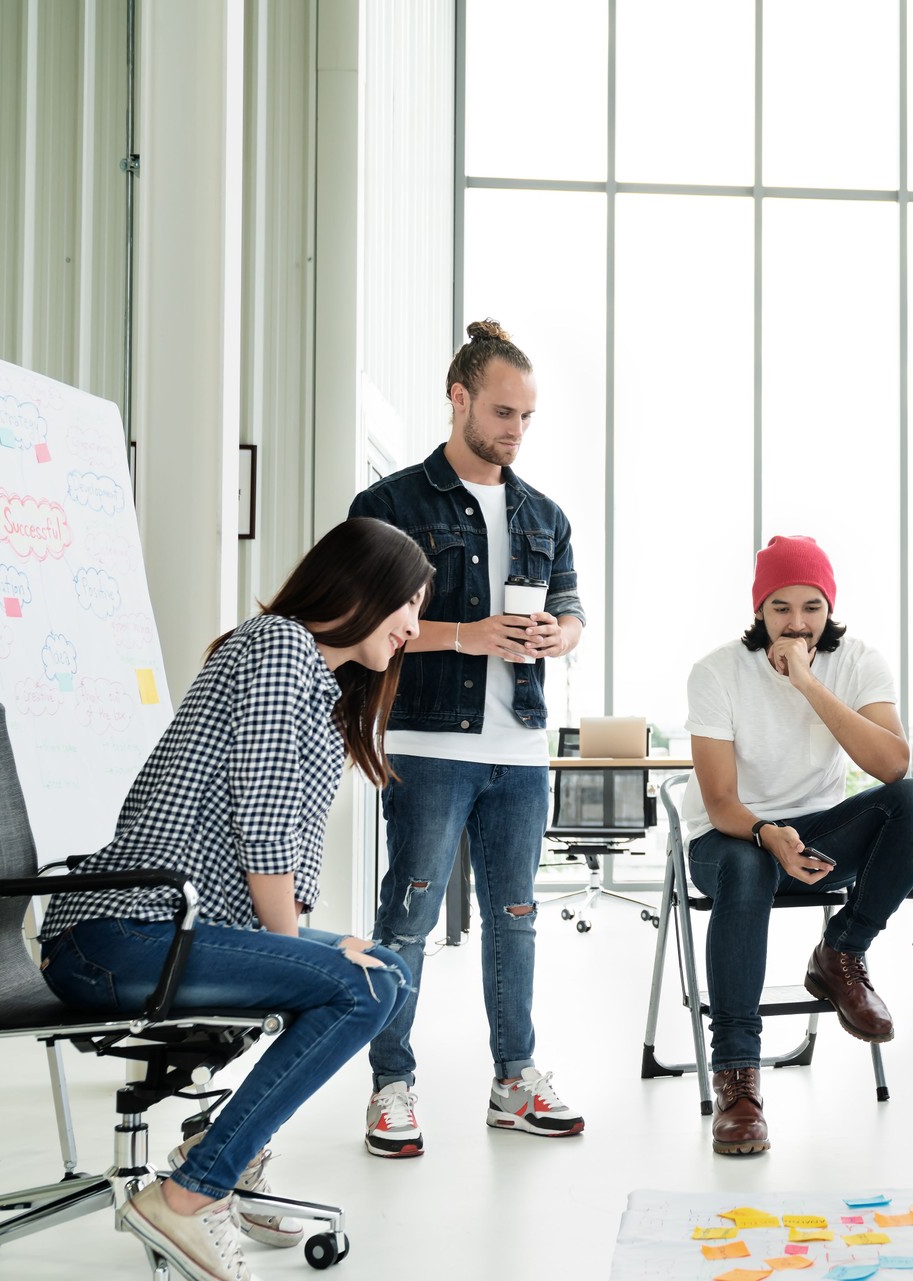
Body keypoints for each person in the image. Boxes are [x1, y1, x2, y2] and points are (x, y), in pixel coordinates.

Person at [37, 517, 430, 1281]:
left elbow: (276, 837)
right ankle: (192, 1192)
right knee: (366, 981)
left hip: (167, 931)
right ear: (364, 588)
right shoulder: (281, 648)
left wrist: (309, 951)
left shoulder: (309, 673)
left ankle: (220, 1155)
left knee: (379, 969)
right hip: (120, 934)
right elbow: (264, 830)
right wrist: (302, 953)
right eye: (407, 603)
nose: (415, 626)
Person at [347, 319, 587, 1156]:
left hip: (521, 749)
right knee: (407, 917)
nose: (515, 429)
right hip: (427, 744)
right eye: (502, 411)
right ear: (459, 399)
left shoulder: (544, 514)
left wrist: (562, 634)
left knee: (515, 917)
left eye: (527, 416)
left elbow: (572, 607)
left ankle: (514, 1078)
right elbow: (360, 623)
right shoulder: (388, 506)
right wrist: (466, 634)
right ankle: (391, 1084)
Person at [683, 535, 913, 1155]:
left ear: (830, 607)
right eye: (780, 608)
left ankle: (841, 954)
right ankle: (739, 1078)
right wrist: (769, 834)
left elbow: (892, 764)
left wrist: (808, 684)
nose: (797, 624)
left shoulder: (858, 661)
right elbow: (719, 801)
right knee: (746, 870)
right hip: (733, 838)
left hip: (816, 835)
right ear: (758, 610)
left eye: (811, 608)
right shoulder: (717, 671)